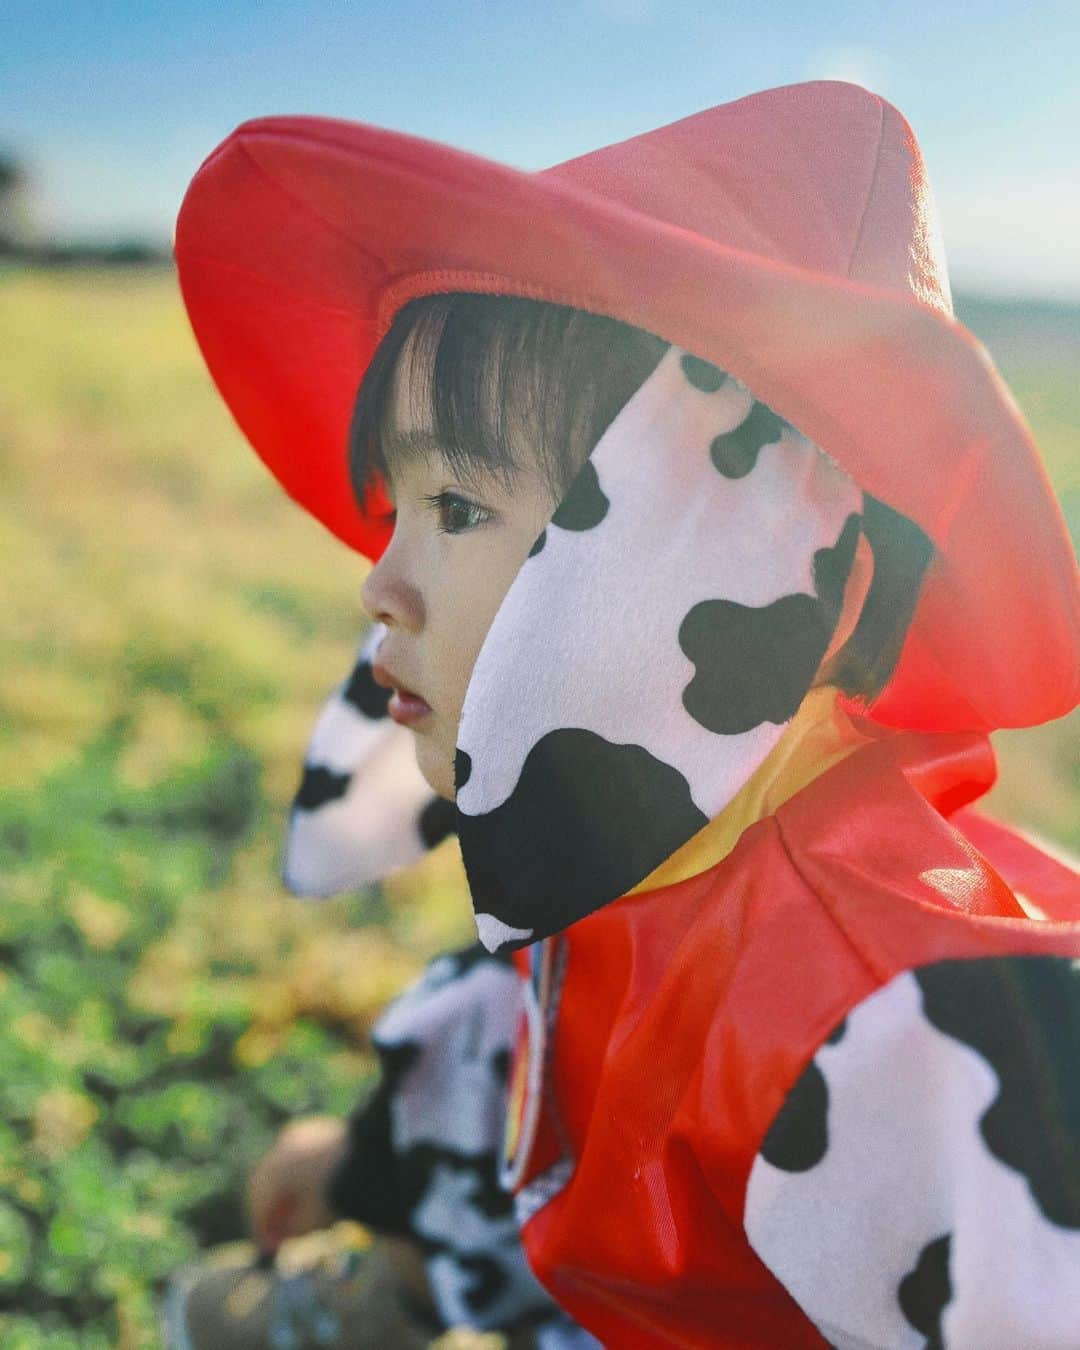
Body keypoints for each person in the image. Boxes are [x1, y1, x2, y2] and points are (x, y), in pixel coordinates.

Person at [175, 80, 1080, 1347]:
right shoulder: (616, 838)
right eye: (402, 505)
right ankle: (408, 1279)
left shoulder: (896, 1021)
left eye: (461, 512)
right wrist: (364, 1179)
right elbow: (503, 1028)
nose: (380, 580)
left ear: (700, 548)